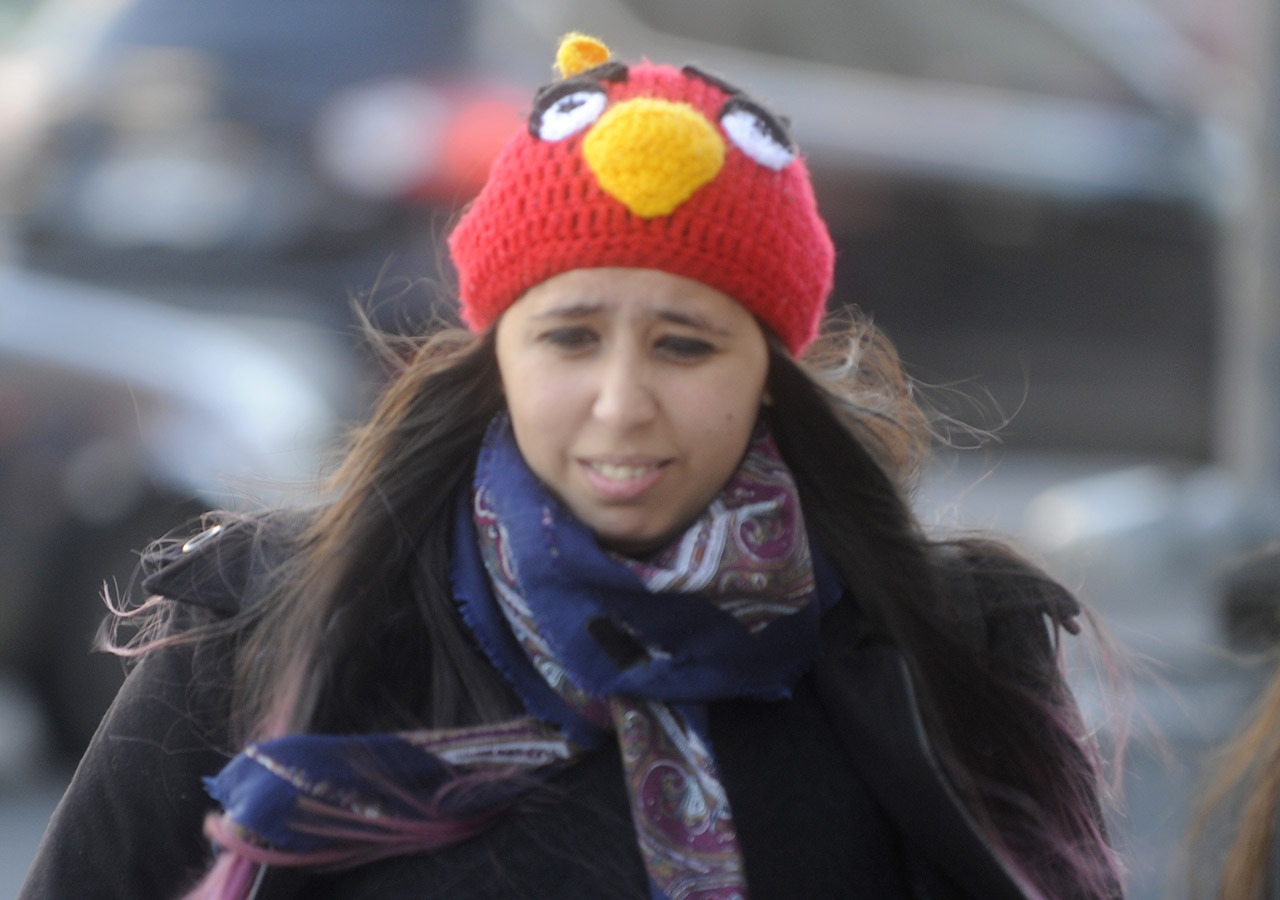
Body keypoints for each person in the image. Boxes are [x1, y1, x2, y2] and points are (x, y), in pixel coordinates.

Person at [21, 32, 1122, 900]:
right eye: (569, 337)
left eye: (685, 345)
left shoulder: (935, 649)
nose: (619, 403)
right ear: (495, 354)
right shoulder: (268, 630)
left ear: (768, 371)